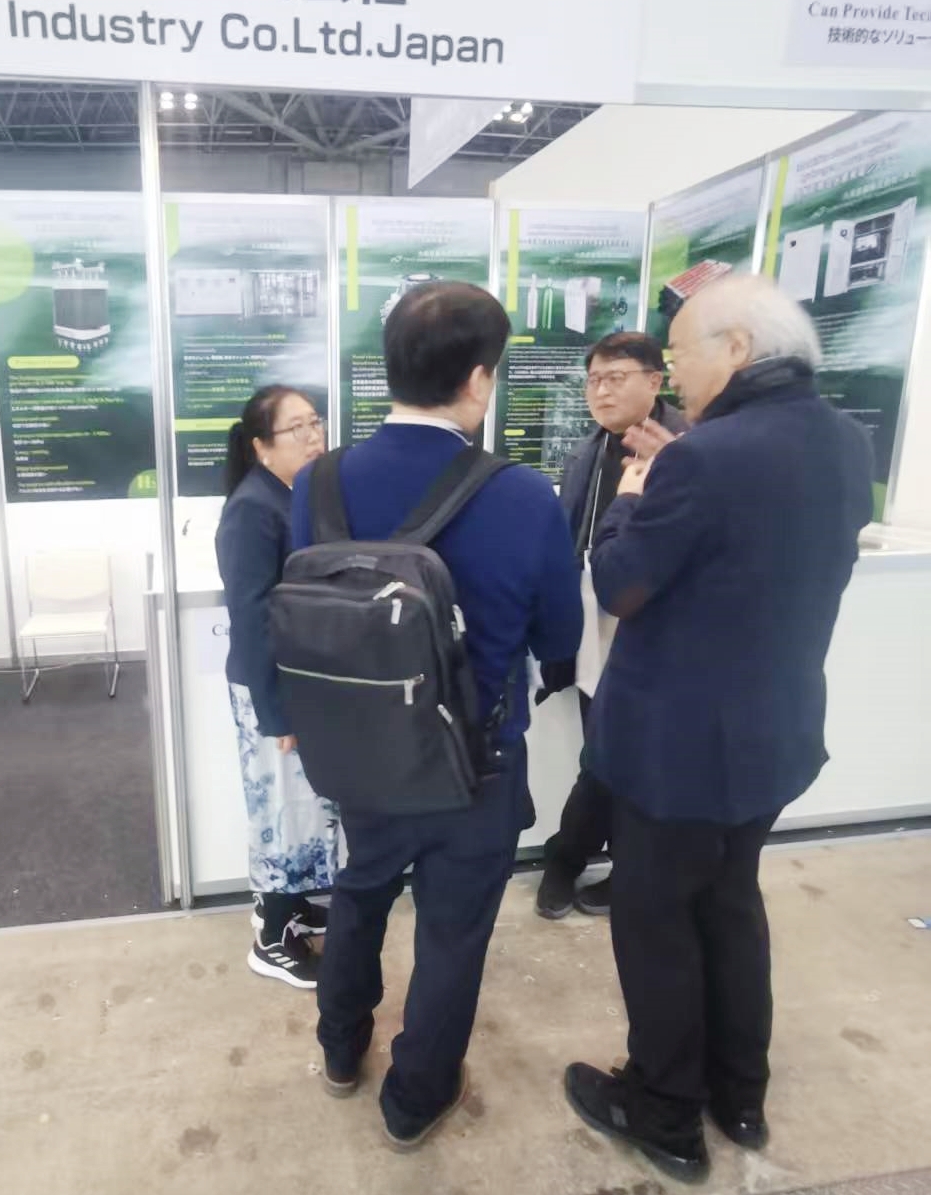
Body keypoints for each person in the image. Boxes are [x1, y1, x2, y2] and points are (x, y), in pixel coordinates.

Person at [564, 275, 874, 1184]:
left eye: (678, 355)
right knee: (731, 903)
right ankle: (739, 1094)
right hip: (773, 734)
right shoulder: (844, 439)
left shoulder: (699, 458)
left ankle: (663, 1112)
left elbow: (618, 584)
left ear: (736, 349)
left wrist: (635, 493)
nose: (672, 374)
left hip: (678, 749)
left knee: (656, 922)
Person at [291, 282, 582, 1150]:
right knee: (453, 933)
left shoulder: (319, 480)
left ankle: (340, 1049)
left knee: (359, 891)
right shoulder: (521, 495)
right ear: (480, 377)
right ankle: (415, 1099)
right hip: (474, 763)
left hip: (360, 749)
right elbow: (559, 635)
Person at [536, 332, 686, 921]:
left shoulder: (688, 450)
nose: (601, 391)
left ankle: (577, 861)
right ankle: (582, 860)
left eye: (616, 377)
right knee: (603, 753)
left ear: (655, 380)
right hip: (593, 625)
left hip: (660, 632)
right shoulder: (587, 452)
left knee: (637, 761)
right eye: (594, 380)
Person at [215, 386, 341, 989]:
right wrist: (275, 712)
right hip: (272, 690)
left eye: (315, 422)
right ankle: (270, 939)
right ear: (261, 446)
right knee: (277, 812)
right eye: (297, 428)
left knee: (302, 809)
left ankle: (291, 909)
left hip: (296, 682)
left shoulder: (294, 495)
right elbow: (251, 616)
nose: (314, 436)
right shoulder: (252, 509)